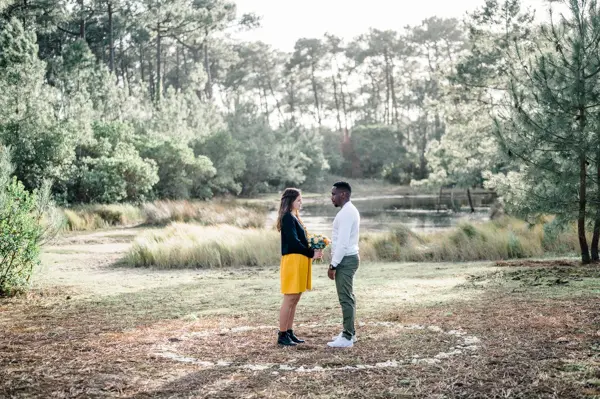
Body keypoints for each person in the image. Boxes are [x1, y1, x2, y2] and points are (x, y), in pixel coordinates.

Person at [277, 188, 323, 346]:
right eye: (299, 200)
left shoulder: (294, 216)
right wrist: (311, 253)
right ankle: (282, 334)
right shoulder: (287, 218)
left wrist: (316, 245)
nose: (301, 202)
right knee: (289, 298)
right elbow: (294, 242)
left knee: (295, 298)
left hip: (300, 260)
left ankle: (289, 332)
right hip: (293, 261)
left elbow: (302, 239)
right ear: (290, 201)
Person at [327, 181, 360, 348]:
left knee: (345, 298)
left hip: (346, 260)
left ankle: (347, 337)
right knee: (348, 296)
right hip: (347, 258)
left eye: (334, 194)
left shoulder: (347, 213)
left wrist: (333, 265)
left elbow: (343, 243)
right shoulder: (347, 211)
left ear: (343, 195)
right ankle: (350, 332)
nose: (331, 197)